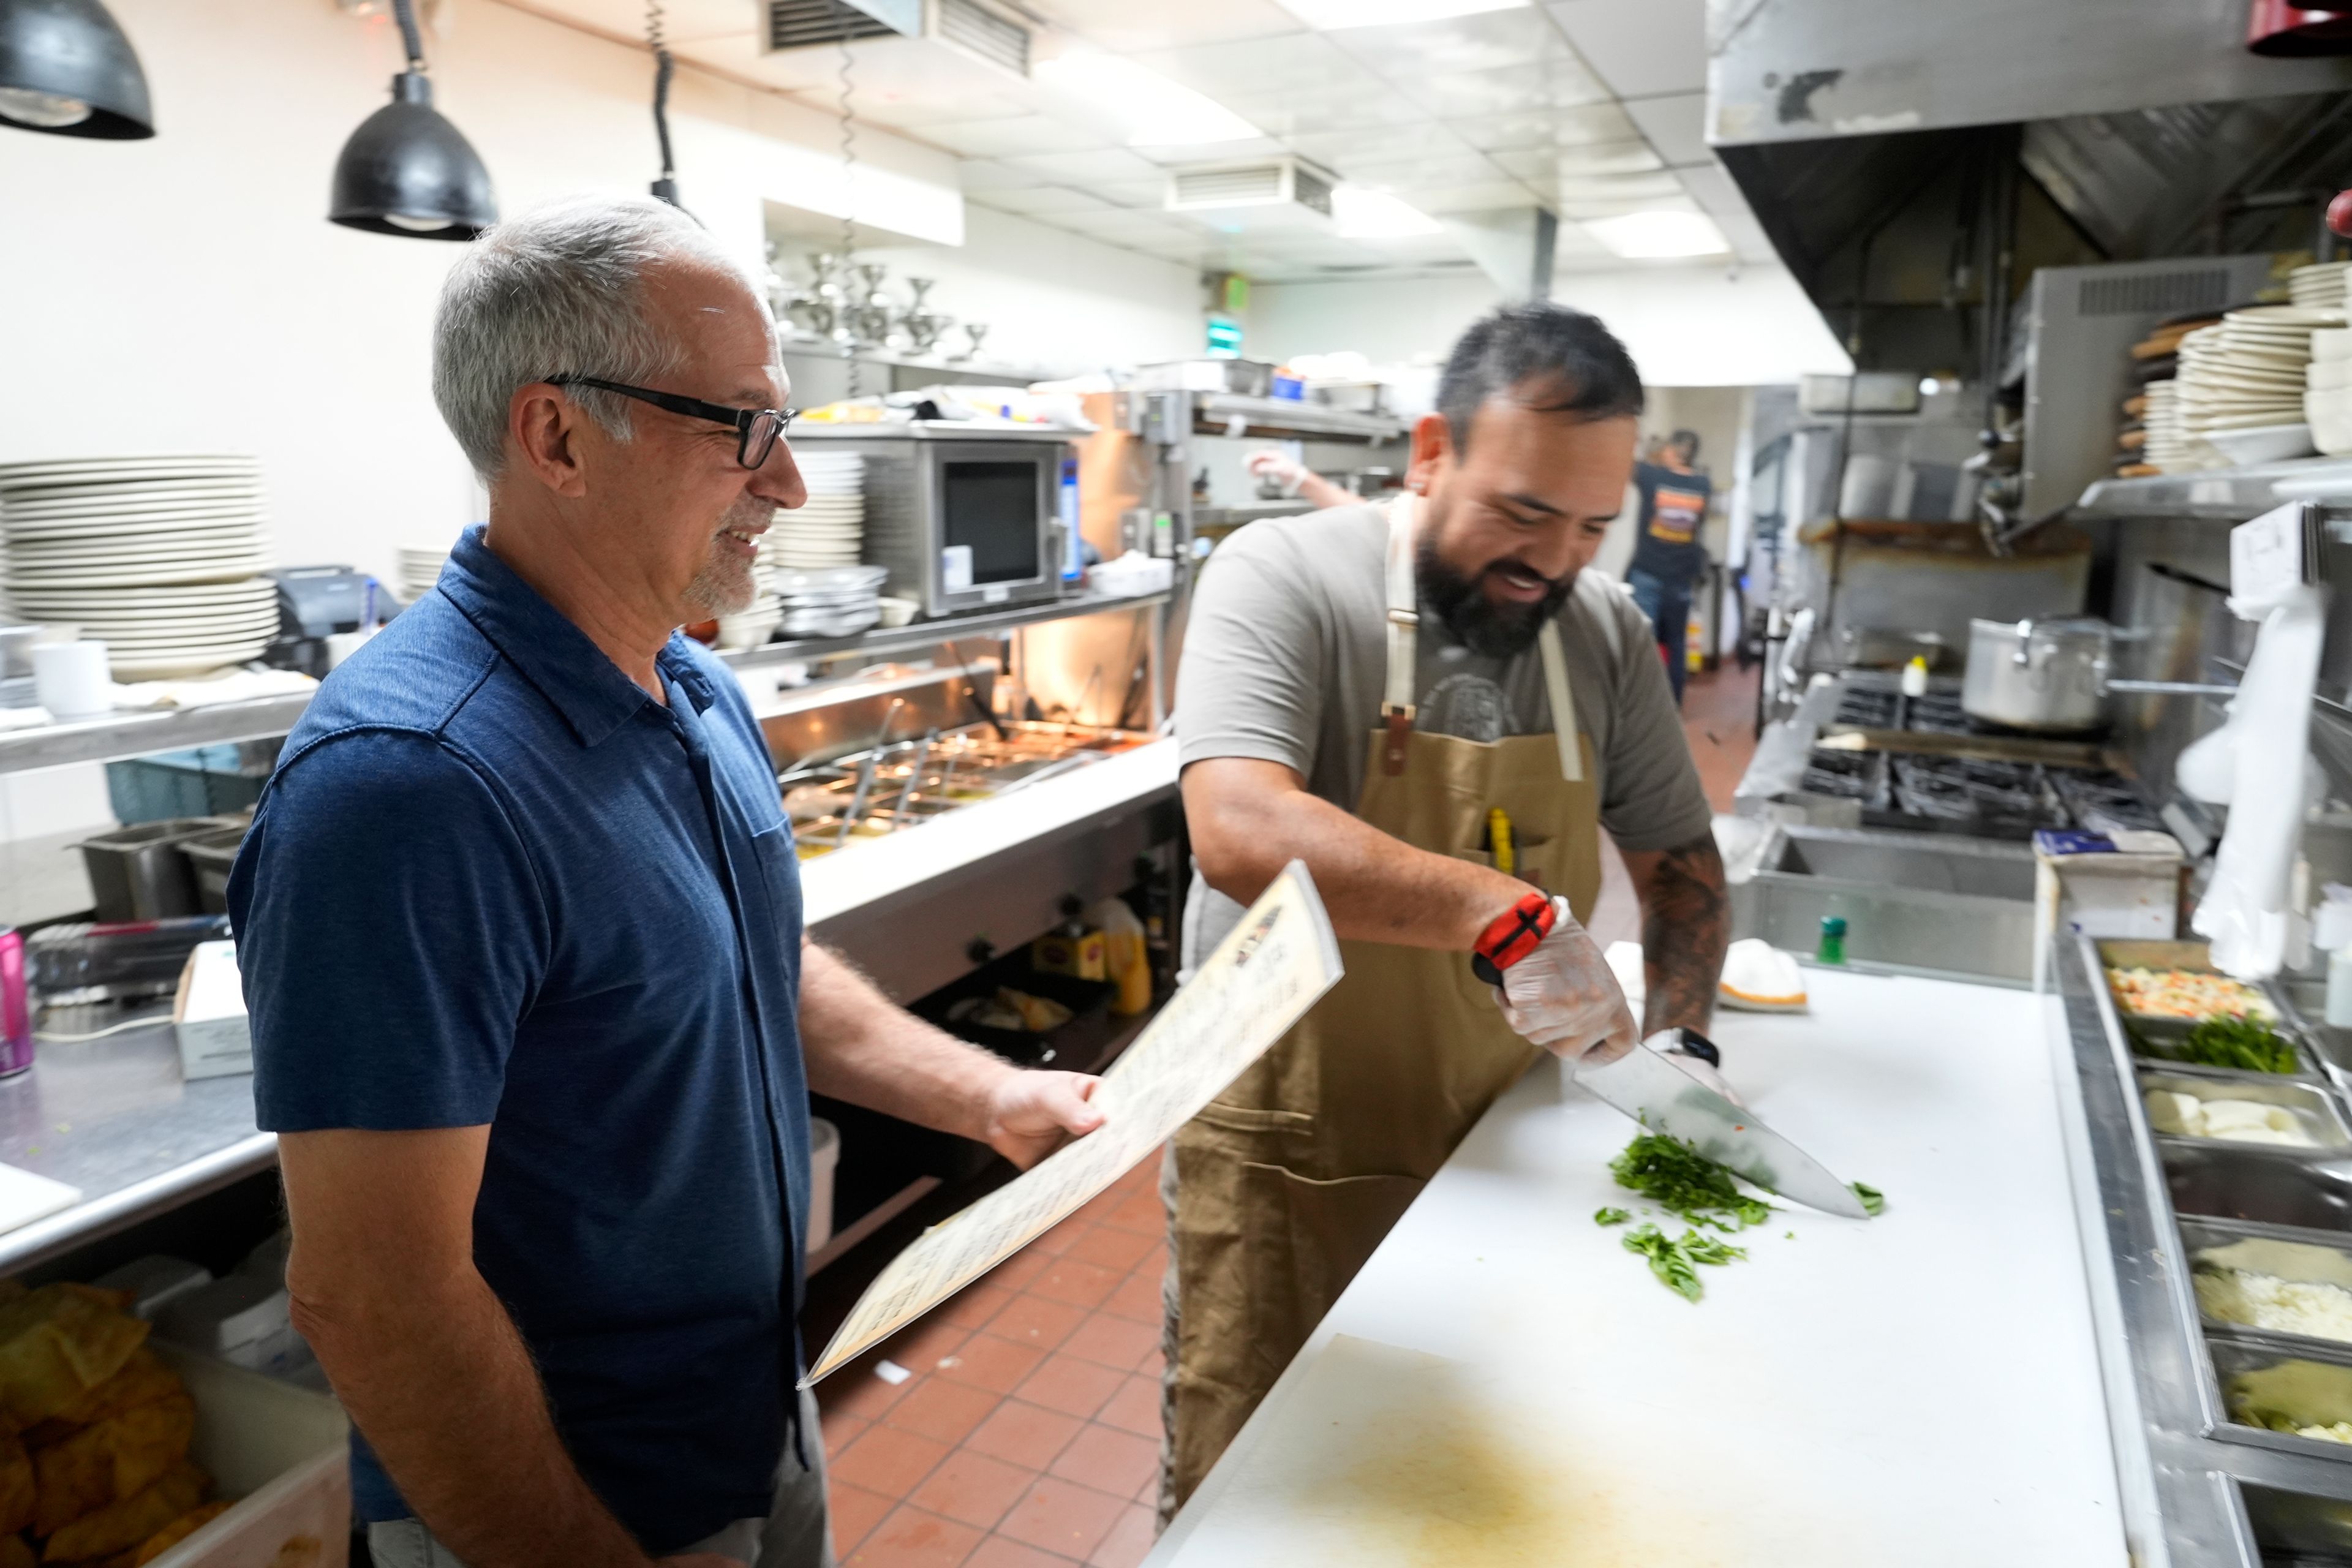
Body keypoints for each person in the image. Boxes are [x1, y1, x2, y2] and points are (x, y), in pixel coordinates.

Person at [227, 196, 1107, 1568]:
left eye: (787, 427)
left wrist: (986, 1092)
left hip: (754, 1420)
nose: (791, 485)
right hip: (561, 1501)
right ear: (559, 435)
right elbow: (373, 1297)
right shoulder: (408, 784)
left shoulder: (687, 681)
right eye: (741, 427)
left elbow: (742, 959)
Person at [1161, 303, 1731, 1516]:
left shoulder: (1604, 630)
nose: (1557, 560)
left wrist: (1682, 1041)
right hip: (1292, 1152)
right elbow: (1239, 827)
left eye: (1591, 525)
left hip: (1502, 1135)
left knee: (1463, 1488)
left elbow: (1681, 861)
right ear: (1431, 451)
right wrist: (1507, 910)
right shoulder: (1283, 573)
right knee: (1260, 1496)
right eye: (1523, 513)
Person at [1624, 428, 1714, 703]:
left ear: (1673, 451)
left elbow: (1627, 463)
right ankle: (1673, 705)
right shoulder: (1703, 485)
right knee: (1677, 644)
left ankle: (1644, 707)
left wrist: (1650, 450)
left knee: (1644, 644)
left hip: (1648, 574)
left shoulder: (1653, 477)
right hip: (1681, 580)